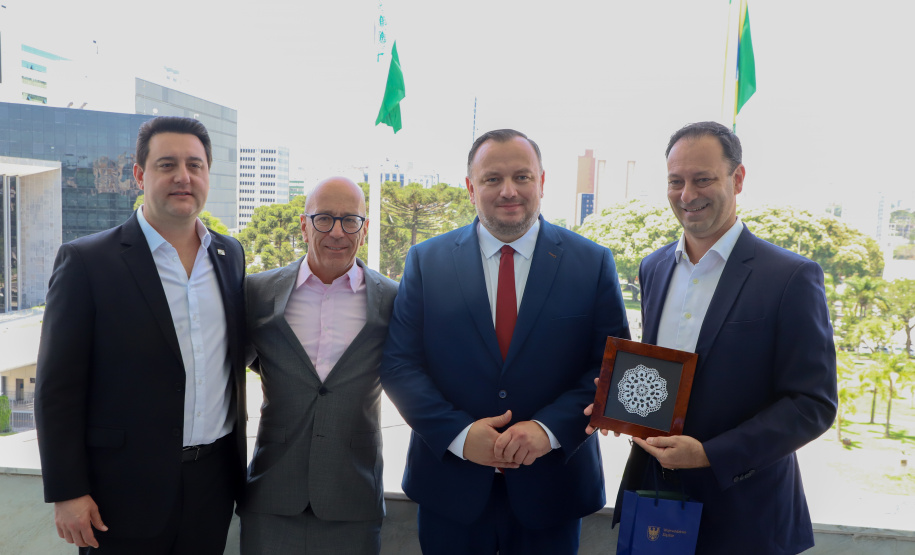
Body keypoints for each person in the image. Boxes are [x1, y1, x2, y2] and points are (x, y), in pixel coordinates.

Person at [380, 129, 630, 554]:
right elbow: (401, 365)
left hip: (552, 489)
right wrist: (459, 434)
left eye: (522, 177)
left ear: (543, 182)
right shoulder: (427, 261)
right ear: (470, 186)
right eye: (493, 178)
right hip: (450, 489)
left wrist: (549, 430)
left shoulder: (592, 262)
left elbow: (610, 368)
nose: (509, 191)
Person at [592, 121, 837, 554]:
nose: (688, 195)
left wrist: (711, 453)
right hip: (655, 501)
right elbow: (666, 375)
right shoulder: (653, 268)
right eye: (676, 181)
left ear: (737, 179)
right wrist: (624, 405)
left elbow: (813, 404)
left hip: (746, 514)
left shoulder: (790, 277)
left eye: (703, 179)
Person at [34, 116, 247, 554]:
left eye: (195, 165)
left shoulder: (230, 256)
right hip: (119, 494)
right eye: (167, 164)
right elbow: (57, 389)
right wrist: (67, 491)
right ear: (139, 174)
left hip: (213, 487)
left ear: (208, 174)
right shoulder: (87, 262)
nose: (183, 177)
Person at [239, 177, 398, 554]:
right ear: (303, 224)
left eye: (350, 220)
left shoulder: (393, 300)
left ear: (365, 229)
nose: (337, 232)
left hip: (354, 496)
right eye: (324, 218)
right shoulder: (257, 293)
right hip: (272, 492)